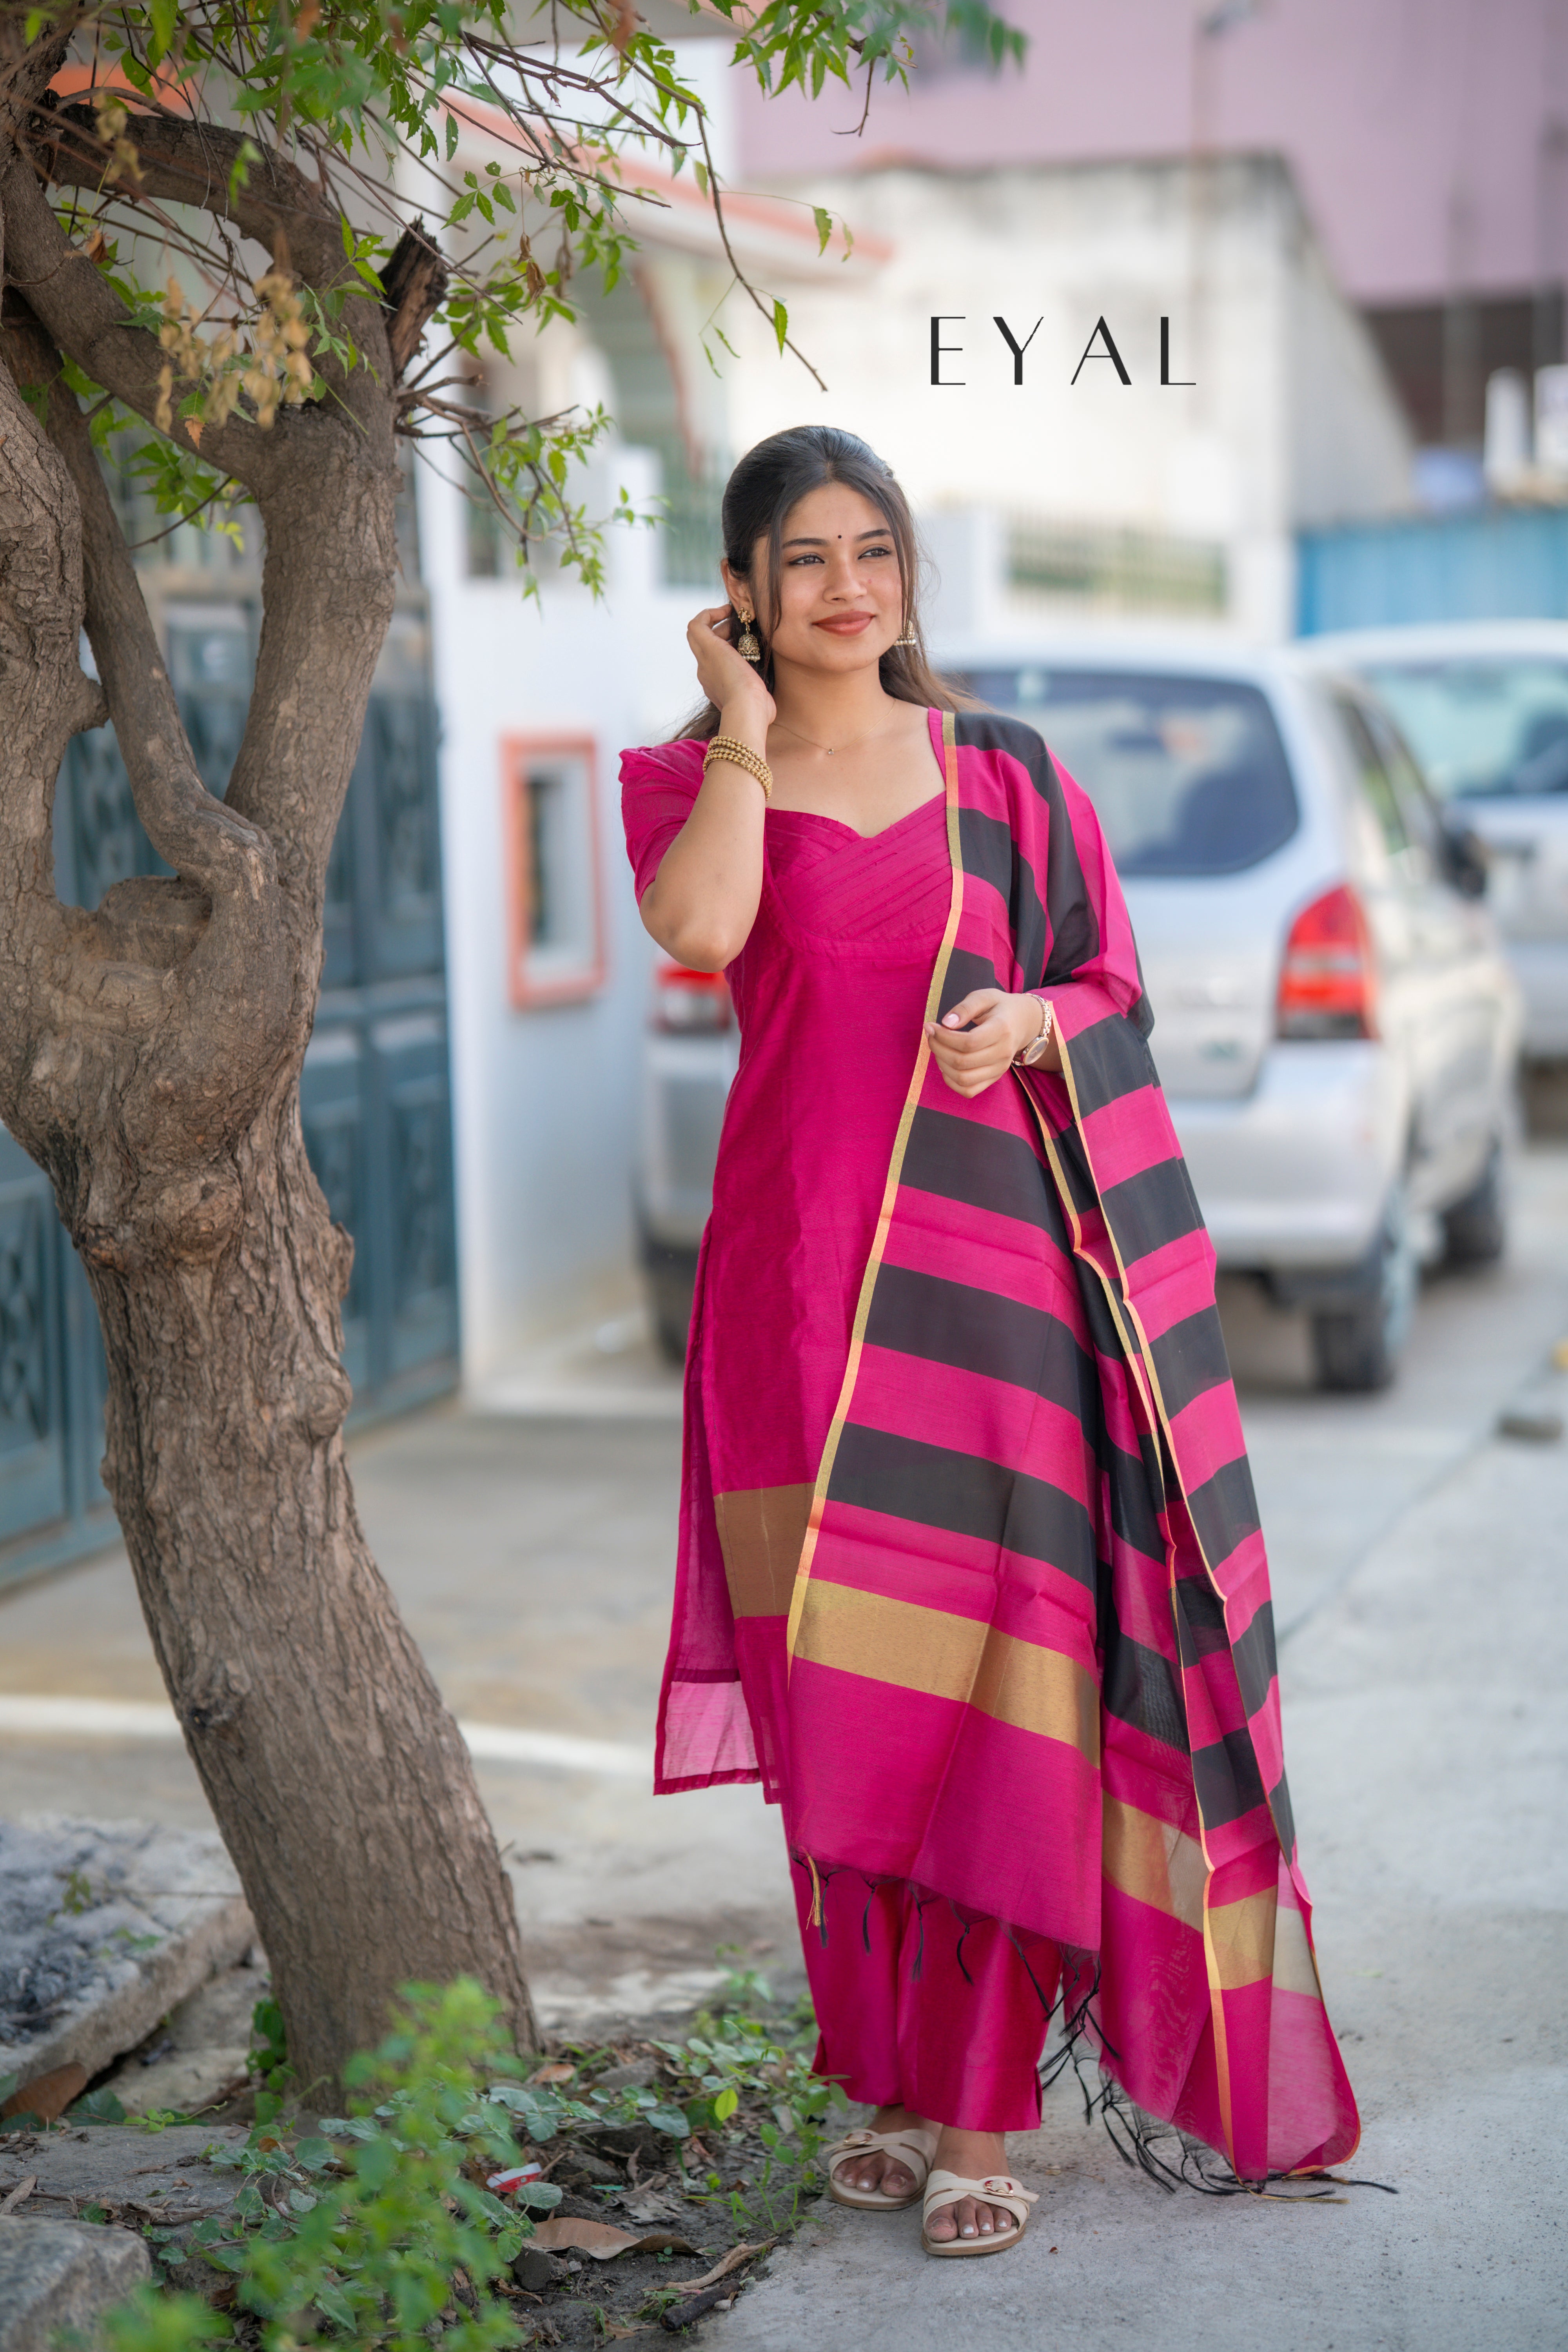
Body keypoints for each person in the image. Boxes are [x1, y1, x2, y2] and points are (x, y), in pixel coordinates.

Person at [620, 425, 1358, 2262]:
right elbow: (701, 929)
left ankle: (974, 2119)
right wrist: (738, 725)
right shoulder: (690, 782)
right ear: (742, 590)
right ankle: (880, 2077)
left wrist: (1035, 1022)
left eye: (873, 550)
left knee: (1000, 1690)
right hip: (792, 1304)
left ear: (908, 574)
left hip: (998, 1299)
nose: (846, 585)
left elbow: (1111, 987)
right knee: (840, 1702)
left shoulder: (1008, 778)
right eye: (803, 557)